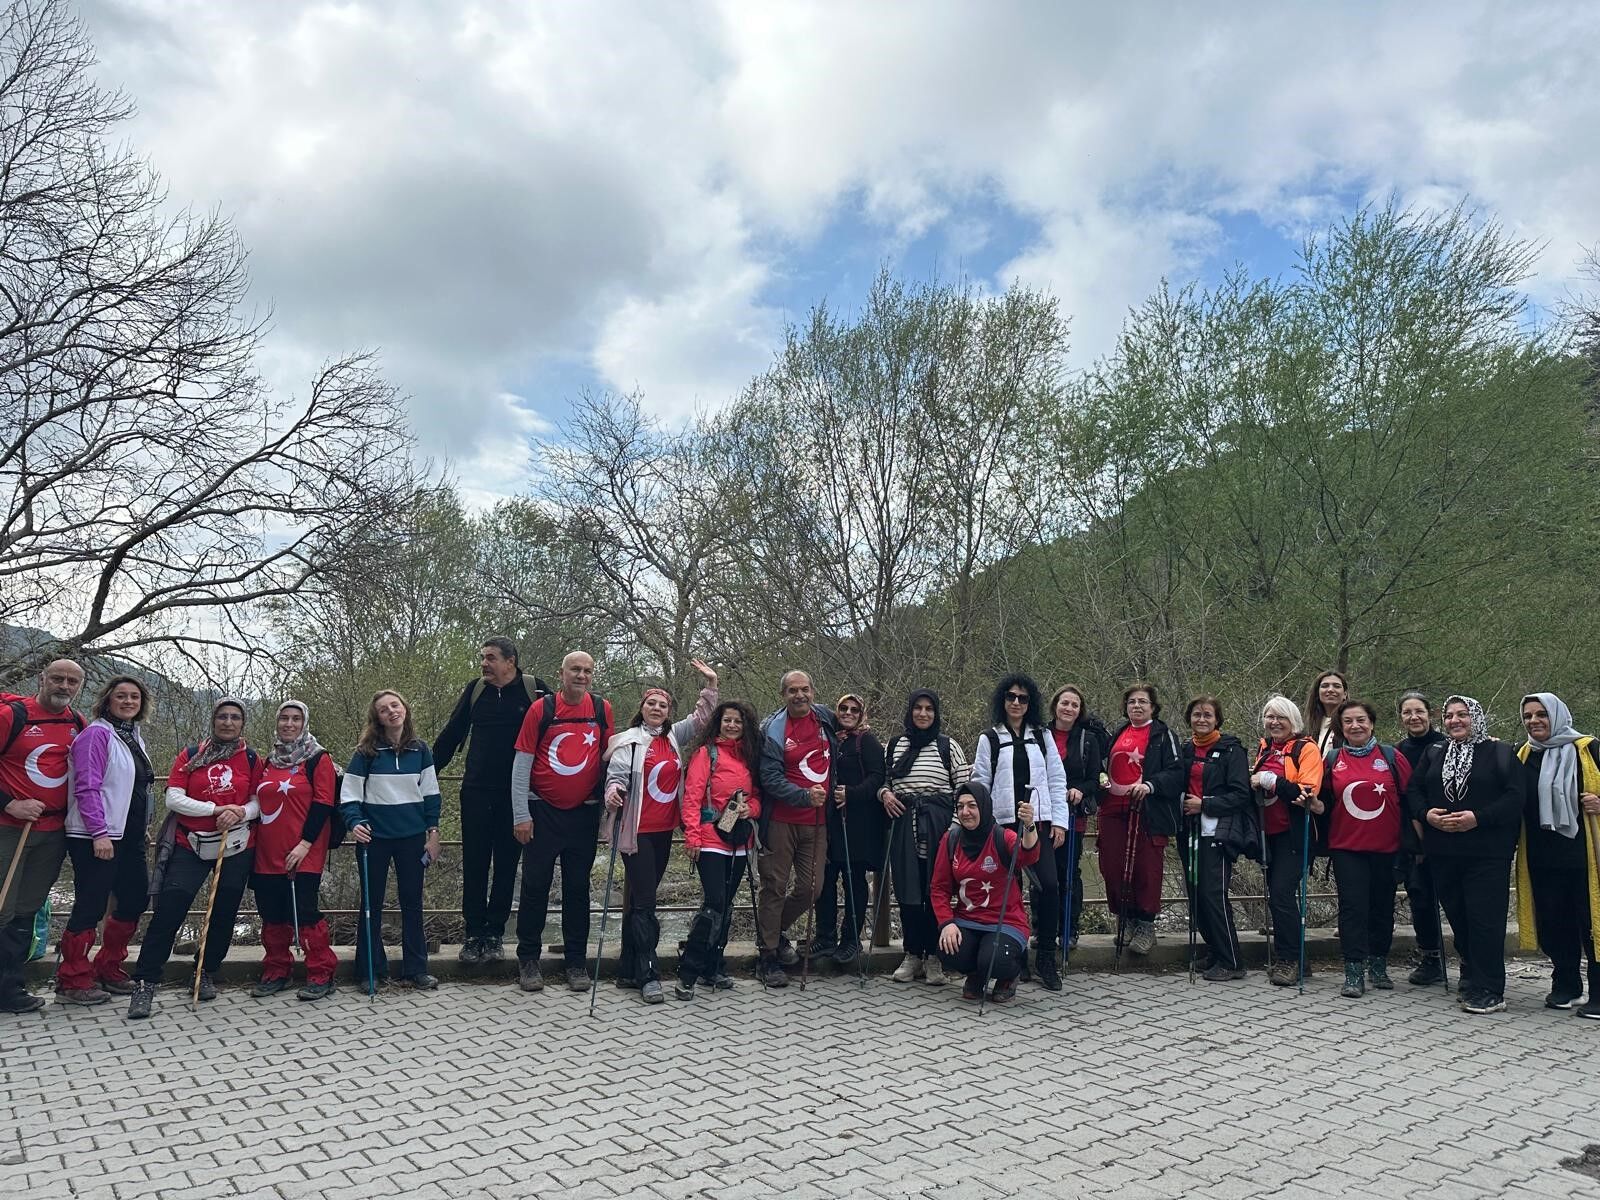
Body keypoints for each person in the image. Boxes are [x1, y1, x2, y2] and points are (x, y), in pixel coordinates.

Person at [128, 698, 263, 1019]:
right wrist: (217, 810)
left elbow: (259, 798)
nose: (228, 722)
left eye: (234, 717)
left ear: (242, 723)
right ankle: (146, 981)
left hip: (236, 846)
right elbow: (174, 797)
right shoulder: (191, 756)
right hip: (190, 844)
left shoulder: (253, 759)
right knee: (170, 910)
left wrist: (241, 812)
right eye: (222, 716)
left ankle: (205, 972)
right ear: (213, 720)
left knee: (223, 912)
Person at [602, 660, 717, 1003]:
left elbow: (702, 718)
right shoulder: (630, 741)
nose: (656, 709)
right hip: (635, 832)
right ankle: (648, 973)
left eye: (662, 705)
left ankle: (628, 968)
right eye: (651, 703)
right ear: (642, 708)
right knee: (647, 901)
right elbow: (616, 776)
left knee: (641, 898)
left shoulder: (672, 737)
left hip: (665, 829)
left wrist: (710, 684)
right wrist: (613, 793)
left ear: (668, 712)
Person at [432, 637, 548, 966]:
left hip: (517, 794)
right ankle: (473, 933)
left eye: (491, 658)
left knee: (507, 864)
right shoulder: (475, 690)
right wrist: (422, 773)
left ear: (510, 661)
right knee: (475, 862)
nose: (484, 663)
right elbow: (452, 734)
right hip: (476, 790)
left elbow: (559, 730)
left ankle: (495, 932)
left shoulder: (535, 690)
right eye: (483, 657)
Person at [1404, 695, 1523, 1015]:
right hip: (1443, 851)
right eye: (1449, 715)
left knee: (1485, 920)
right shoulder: (1435, 752)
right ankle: (1471, 971)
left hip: (1487, 853)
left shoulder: (1500, 752)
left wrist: (1478, 818)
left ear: (1477, 717)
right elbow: (1413, 791)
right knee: (1458, 915)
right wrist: (1427, 814)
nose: (1455, 720)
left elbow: (1515, 798)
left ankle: (1491, 988)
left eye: (1463, 714)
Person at [512, 651, 613, 993]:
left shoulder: (602, 709)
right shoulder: (541, 710)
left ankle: (576, 962)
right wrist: (520, 815)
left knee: (577, 890)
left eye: (587, 670)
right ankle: (528, 960)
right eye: (575, 669)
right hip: (542, 813)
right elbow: (522, 764)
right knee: (535, 888)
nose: (581, 675)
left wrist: (609, 814)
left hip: (584, 814)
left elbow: (611, 759)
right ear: (562, 672)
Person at [57, 677, 153, 1005]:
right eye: (121, 696)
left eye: (134, 697)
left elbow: (133, 789)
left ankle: (108, 966)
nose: (128, 702)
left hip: (128, 836)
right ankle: (73, 978)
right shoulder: (96, 735)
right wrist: (99, 832)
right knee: (91, 905)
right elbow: (87, 786)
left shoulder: (132, 736)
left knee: (135, 897)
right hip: (96, 836)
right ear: (107, 700)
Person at [971, 673, 1068, 988]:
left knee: (1049, 887)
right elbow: (980, 782)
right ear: (1003, 700)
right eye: (1011, 697)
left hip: (1036, 823)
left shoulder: (1042, 736)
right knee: (1006, 892)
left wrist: (1059, 821)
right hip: (1001, 826)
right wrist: (978, 826)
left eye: (1022, 698)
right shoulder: (990, 738)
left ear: (1031, 703)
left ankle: (1046, 957)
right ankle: (1014, 958)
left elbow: (1056, 778)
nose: (1016, 702)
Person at [341, 691, 443, 992]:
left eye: (395, 705)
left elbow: (431, 794)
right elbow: (349, 795)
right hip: (374, 839)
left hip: (412, 838)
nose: (391, 712)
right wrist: (354, 822)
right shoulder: (366, 753)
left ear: (405, 709)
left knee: (412, 902)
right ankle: (370, 970)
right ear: (378, 718)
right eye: (384, 710)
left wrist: (433, 834)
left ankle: (416, 969)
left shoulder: (421, 750)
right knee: (370, 904)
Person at [0, 659, 86, 1013]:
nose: (64, 686)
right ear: (42, 679)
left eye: (71, 681)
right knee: (2, 909)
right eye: (57, 678)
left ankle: (11, 989)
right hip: (9, 830)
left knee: (26, 910)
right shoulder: (12, 717)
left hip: (52, 833)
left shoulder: (77, 723)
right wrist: (9, 805)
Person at [1318, 700, 1413, 999]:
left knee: (1382, 907)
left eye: (1361, 720)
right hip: (1347, 847)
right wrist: (1312, 803)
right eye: (1348, 721)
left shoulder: (1391, 757)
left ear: (1371, 723)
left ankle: (1378, 964)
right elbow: (1323, 803)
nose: (1355, 726)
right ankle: (1353, 969)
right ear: (1341, 727)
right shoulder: (1332, 760)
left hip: (1387, 847)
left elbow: (1411, 800)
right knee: (1352, 908)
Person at [1514, 692, 1600, 1017]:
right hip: (1541, 855)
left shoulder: (1589, 749)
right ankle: (1566, 985)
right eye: (1528, 716)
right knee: (1553, 922)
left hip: (1584, 856)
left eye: (1541, 714)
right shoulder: (1522, 754)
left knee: (1593, 924)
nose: (1534, 721)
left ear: (1557, 714)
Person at [249, 701, 339, 1001]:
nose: (289, 724)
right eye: (284, 718)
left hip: (304, 851)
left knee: (305, 913)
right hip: (266, 851)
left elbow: (324, 803)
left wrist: (305, 844)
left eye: (296, 719)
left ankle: (321, 971)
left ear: (305, 723)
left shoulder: (317, 758)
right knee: (272, 914)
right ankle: (276, 970)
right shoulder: (267, 762)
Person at [880, 690, 969, 986]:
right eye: (917, 708)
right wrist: (885, 794)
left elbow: (963, 788)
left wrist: (955, 828)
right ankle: (912, 953)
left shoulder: (948, 746)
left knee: (936, 890)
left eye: (929, 709)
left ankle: (934, 956)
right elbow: (883, 780)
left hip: (939, 825)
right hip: (905, 824)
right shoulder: (895, 745)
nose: (923, 714)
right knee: (908, 891)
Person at [676, 700, 762, 1001]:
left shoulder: (750, 757)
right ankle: (688, 972)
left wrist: (748, 809)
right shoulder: (706, 754)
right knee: (714, 903)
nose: (732, 726)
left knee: (725, 906)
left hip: (740, 841)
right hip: (711, 839)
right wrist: (693, 837)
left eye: (738, 721)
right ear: (718, 722)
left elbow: (758, 799)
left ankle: (713, 966)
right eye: (727, 720)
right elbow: (692, 797)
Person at [755, 670, 836, 987]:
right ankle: (769, 955)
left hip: (817, 824)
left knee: (811, 889)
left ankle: (772, 932)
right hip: (781, 820)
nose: (799, 695)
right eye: (792, 691)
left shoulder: (825, 719)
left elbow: (848, 732)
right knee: (774, 886)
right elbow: (769, 778)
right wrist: (803, 796)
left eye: (804, 690)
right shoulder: (773, 730)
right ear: (783, 695)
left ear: (813, 691)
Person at [930, 782, 1040, 1002]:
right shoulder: (950, 840)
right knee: (948, 950)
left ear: (984, 806)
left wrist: (1029, 826)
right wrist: (947, 923)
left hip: (1005, 922)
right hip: (968, 919)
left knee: (995, 959)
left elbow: (1027, 855)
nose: (965, 812)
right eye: (960, 806)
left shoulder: (1003, 837)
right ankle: (976, 975)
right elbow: (939, 887)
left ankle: (1009, 975)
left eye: (972, 805)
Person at [1098, 684, 1183, 958]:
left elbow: (1176, 772)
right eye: (1132, 701)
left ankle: (1145, 924)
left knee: (1146, 867)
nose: (1137, 706)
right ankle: (1125, 918)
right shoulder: (1118, 733)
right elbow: (1105, 765)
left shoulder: (1162, 734)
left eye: (1143, 702)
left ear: (1153, 707)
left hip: (1146, 811)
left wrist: (1150, 785)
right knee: (1112, 866)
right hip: (1112, 809)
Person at [1178, 695, 1254, 981]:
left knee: (1213, 894)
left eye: (1208, 715)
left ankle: (1233, 960)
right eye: (1197, 714)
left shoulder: (1231, 749)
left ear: (1217, 719)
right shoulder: (1185, 749)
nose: (1202, 719)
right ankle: (1215, 950)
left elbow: (1240, 793)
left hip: (1218, 830)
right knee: (1196, 892)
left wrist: (1205, 804)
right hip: (1189, 829)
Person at [1252, 695, 1325, 986]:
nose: (1274, 722)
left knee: (1282, 894)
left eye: (1280, 717)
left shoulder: (1306, 749)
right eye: (1269, 716)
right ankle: (1298, 961)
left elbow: (1305, 793)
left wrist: (1268, 780)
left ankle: (1290, 959)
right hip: (1268, 834)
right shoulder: (1265, 748)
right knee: (1277, 895)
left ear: (1293, 720)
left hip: (1295, 834)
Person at [814, 693, 885, 966]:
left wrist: (852, 794)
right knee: (826, 878)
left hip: (857, 824)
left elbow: (878, 776)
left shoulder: (865, 741)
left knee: (854, 881)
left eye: (854, 709)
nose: (848, 713)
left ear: (861, 713)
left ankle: (851, 939)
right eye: (843, 708)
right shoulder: (831, 739)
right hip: (830, 821)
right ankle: (826, 935)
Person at [1047, 686, 1107, 954]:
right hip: (1043, 814)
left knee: (1069, 873)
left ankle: (1069, 929)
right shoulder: (1040, 734)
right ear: (1055, 705)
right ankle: (1042, 927)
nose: (1069, 709)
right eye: (1064, 703)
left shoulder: (1087, 739)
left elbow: (1095, 778)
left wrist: (1080, 790)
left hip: (1072, 814)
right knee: (1042, 873)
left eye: (1074, 704)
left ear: (1080, 710)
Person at [1397, 691, 1448, 986]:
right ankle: (1430, 957)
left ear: (1431, 713)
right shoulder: (1399, 750)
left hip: (1447, 829)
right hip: (1414, 834)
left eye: (1419, 711)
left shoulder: (1446, 745)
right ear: (1401, 717)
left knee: (1453, 898)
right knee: (1420, 897)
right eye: (1407, 712)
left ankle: (1467, 958)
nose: (1414, 717)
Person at [1304, 670, 1349, 756]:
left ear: (1345, 694)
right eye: (1325, 686)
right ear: (1318, 693)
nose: (1330, 690)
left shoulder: (1351, 724)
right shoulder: (1308, 726)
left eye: (1337, 686)